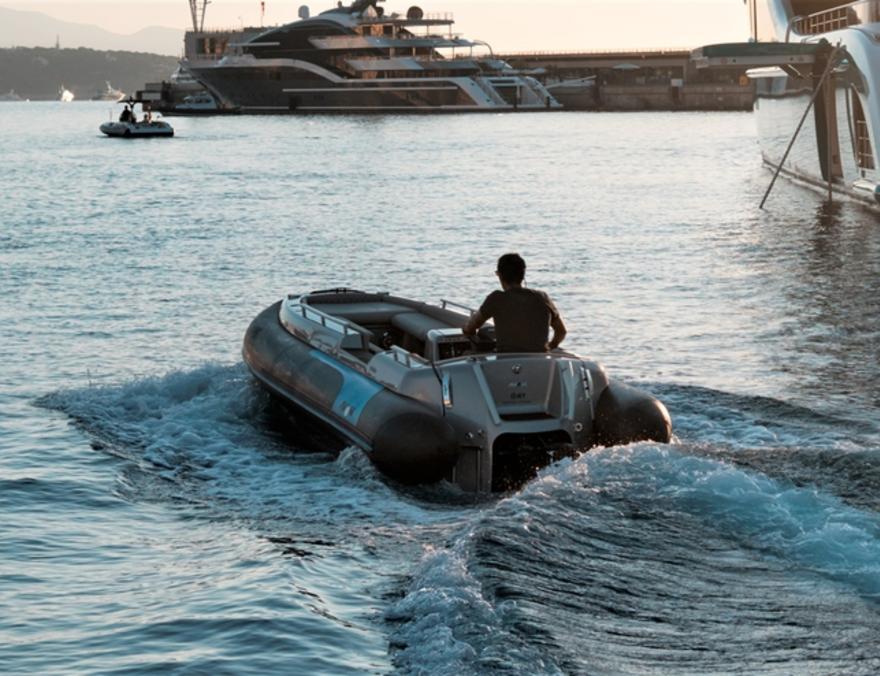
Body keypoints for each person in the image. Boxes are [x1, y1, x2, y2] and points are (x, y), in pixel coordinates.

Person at [463, 253, 567, 353]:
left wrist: (471, 334)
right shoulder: (542, 298)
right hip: (540, 361)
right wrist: (550, 346)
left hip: (506, 361)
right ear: (523, 275)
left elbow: (470, 328)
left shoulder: (496, 299)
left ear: (499, 275)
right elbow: (561, 332)